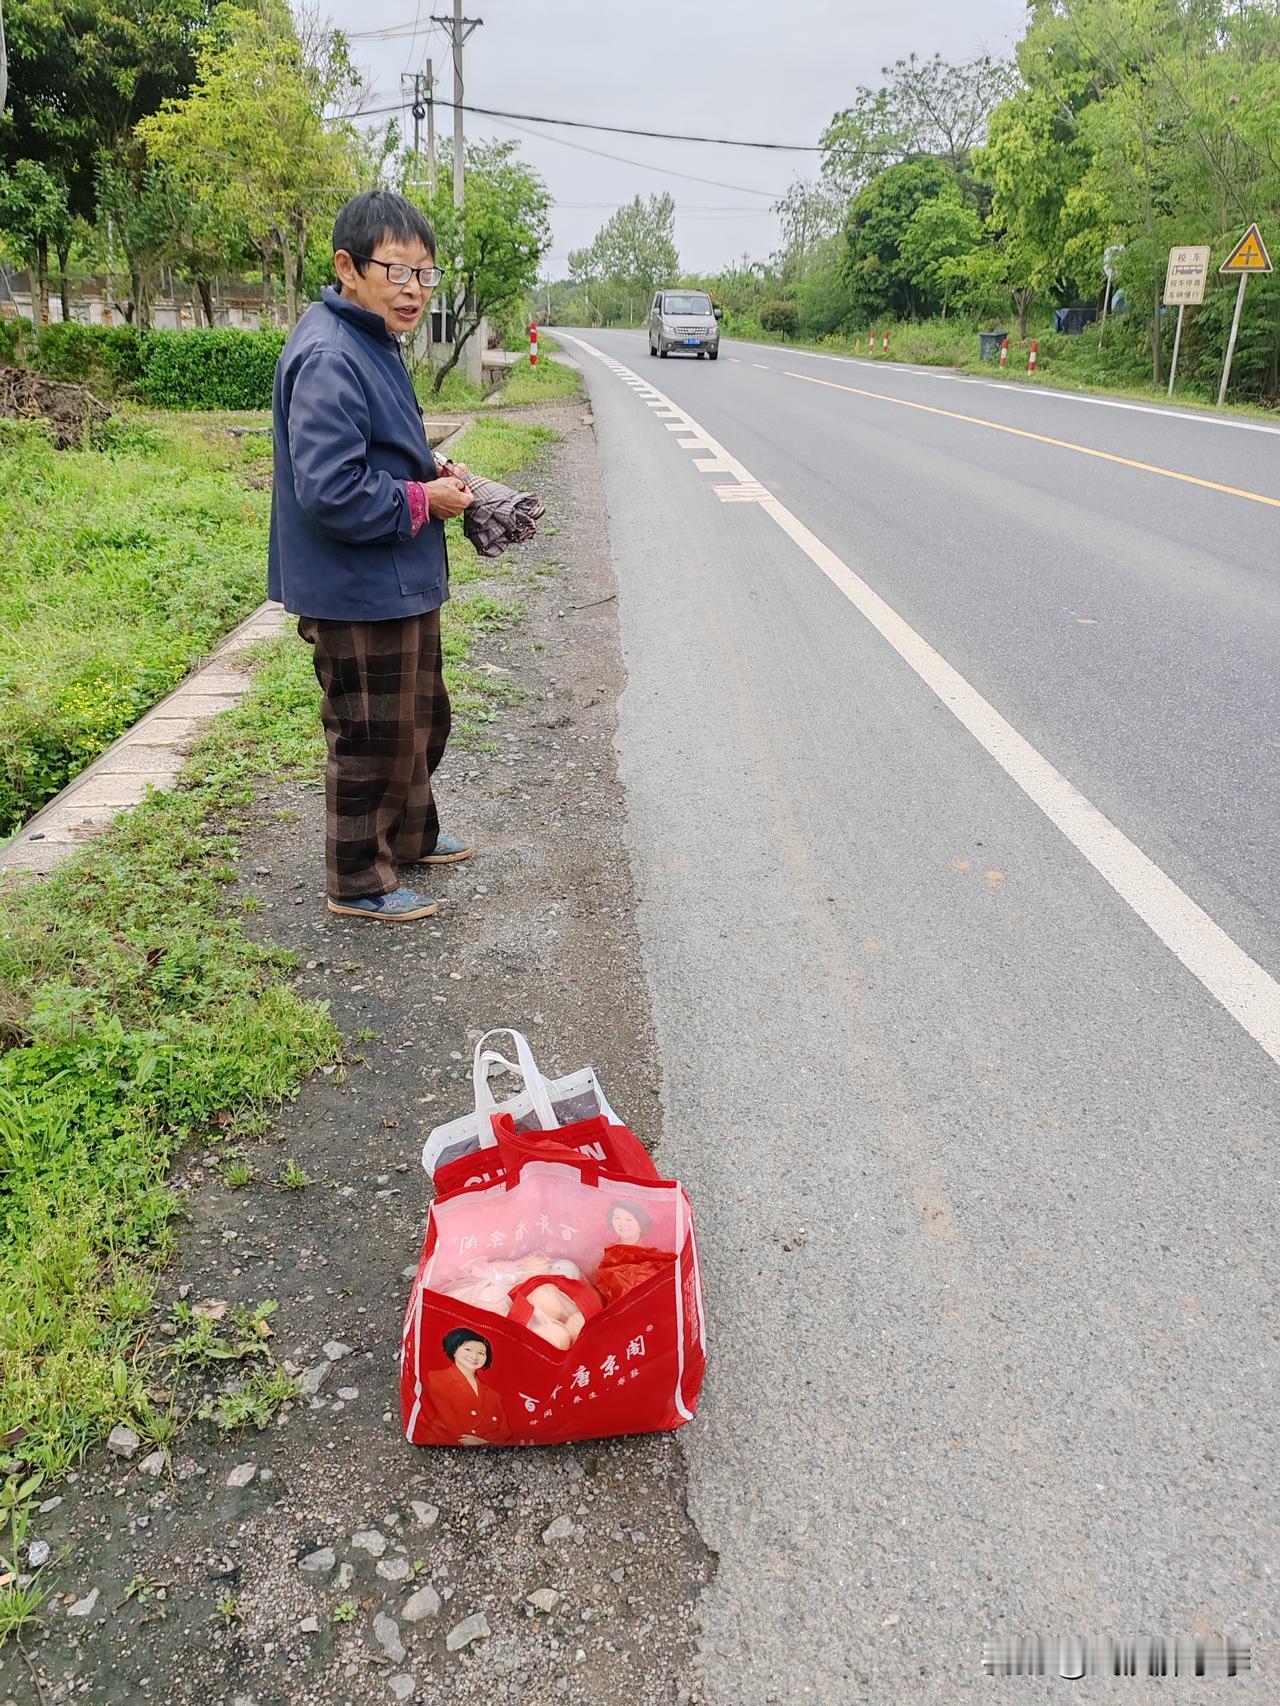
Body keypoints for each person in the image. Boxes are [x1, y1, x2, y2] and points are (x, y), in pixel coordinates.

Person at [268, 190, 475, 922]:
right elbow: (331, 490)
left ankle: (411, 836)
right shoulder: (330, 352)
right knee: (369, 734)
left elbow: (382, 450)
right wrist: (425, 502)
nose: (414, 290)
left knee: (418, 718)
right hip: (356, 586)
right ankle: (356, 881)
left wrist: (433, 471)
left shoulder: (368, 337)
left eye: (425, 275)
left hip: (394, 577)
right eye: (398, 271)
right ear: (347, 268)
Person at [421, 1328, 512, 1446]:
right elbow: (445, 1420)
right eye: (468, 1349)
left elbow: (506, 1432)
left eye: (481, 1353)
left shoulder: (493, 1396)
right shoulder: (436, 1379)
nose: (474, 1356)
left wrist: (482, 1441)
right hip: (440, 1444)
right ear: (454, 1350)